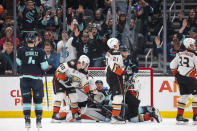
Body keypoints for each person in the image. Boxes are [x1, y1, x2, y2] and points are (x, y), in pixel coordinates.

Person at [119, 45, 162, 123]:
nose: (125, 53)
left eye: (126, 51)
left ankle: (149, 110)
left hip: (130, 86)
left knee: (132, 112)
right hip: (122, 85)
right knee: (129, 114)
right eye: (124, 51)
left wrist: (133, 68)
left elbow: (134, 68)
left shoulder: (129, 59)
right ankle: (150, 112)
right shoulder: (117, 60)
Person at [16, 33, 49, 129]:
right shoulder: (41, 51)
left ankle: (27, 121)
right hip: (37, 79)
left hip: (24, 78)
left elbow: (18, 62)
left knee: (26, 101)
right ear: (35, 41)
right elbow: (44, 66)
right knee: (38, 101)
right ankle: (38, 121)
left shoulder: (21, 50)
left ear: (26, 40)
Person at [51, 55, 91, 122]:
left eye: (86, 64)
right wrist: (64, 78)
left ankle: (74, 114)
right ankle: (54, 116)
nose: (85, 65)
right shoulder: (70, 63)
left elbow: (85, 84)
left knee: (74, 98)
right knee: (60, 97)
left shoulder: (84, 72)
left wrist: (88, 92)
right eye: (84, 63)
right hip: (59, 81)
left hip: (69, 84)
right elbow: (58, 71)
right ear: (80, 62)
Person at [170, 38, 197, 125]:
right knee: (196, 96)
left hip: (180, 77)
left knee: (184, 96)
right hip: (191, 78)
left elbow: (172, 65)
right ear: (189, 45)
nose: (194, 46)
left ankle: (179, 116)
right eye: (193, 44)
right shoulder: (195, 55)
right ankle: (196, 116)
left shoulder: (179, 54)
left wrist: (176, 75)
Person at [105, 38, 125, 124]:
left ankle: (115, 115)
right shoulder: (115, 53)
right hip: (115, 75)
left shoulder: (109, 52)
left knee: (116, 95)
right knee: (118, 95)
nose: (118, 45)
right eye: (117, 44)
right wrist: (123, 72)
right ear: (114, 45)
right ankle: (115, 117)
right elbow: (114, 66)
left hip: (110, 75)